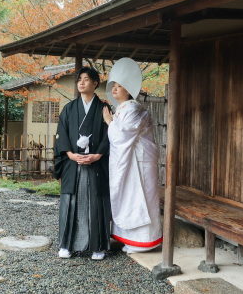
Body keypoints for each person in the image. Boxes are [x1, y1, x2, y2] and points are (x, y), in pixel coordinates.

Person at [102, 58, 162, 253]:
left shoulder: (134, 109)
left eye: (120, 86)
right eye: (114, 86)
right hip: (131, 161)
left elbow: (123, 135)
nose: (115, 89)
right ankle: (127, 237)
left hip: (140, 163)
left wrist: (110, 122)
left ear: (127, 90)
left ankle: (144, 241)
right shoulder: (123, 109)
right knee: (130, 196)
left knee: (141, 197)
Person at [53, 66, 111, 260]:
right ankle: (66, 245)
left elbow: (109, 135)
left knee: (96, 202)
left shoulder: (104, 108)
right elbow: (61, 135)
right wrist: (69, 154)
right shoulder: (69, 108)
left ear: (95, 84)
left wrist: (99, 155)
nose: (81, 82)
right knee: (71, 203)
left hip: (96, 163)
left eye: (86, 79)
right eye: (79, 79)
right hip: (73, 163)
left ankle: (98, 247)